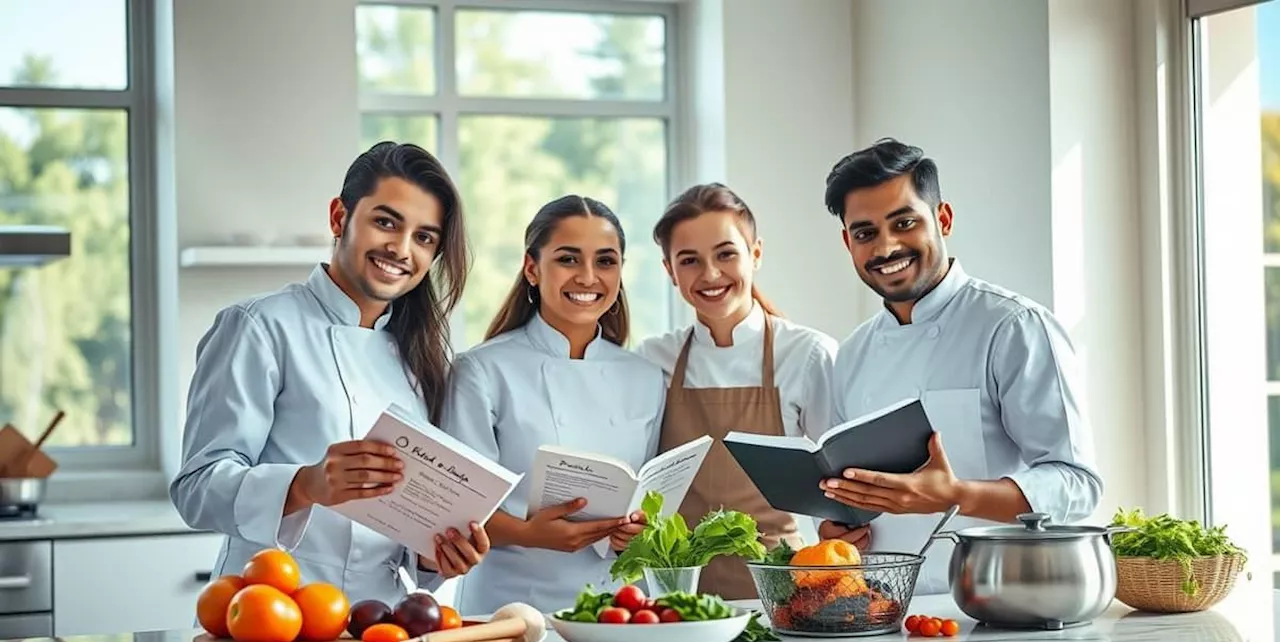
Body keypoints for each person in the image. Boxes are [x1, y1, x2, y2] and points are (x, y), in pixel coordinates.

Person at [171, 142, 490, 608]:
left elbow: (402, 538)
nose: (401, 249)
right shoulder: (259, 326)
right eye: (386, 222)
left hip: (377, 624)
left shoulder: (419, 357)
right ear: (340, 218)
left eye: (424, 237)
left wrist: (437, 555)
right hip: (268, 611)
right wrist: (305, 485)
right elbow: (197, 488)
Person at [817, 138, 1104, 594]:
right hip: (877, 611)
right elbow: (850, 490)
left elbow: (1077, 483)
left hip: (992, 604)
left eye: (904, 222)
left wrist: (954, 496)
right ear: (847, 242)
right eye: (865, 233)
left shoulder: (1013, 327)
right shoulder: (852, 353)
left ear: (943, 218)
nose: (886, 247)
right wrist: (838, 529)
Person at [441, 195, 663, 615]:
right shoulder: (481, 370)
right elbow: (457, 508)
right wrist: (530, 533)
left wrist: (638, 530)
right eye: (568, 259)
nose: (588, 277)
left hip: (621, 607)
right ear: (531, 268)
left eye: (605, 261)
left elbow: (649, 494)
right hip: (511, 607)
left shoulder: (646, 377)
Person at [635, 183, 839, 600]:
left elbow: (833, 489)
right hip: (674, 595)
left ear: (756, 254)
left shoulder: (807, 353)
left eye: (726, 254)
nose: (710, 274)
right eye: (689, 260)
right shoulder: (653, 358)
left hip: (779, 591)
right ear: (670, 271)